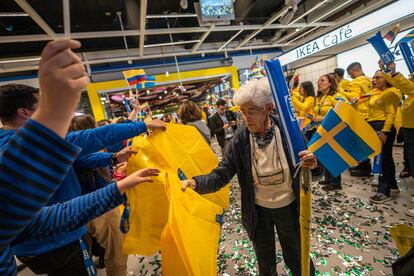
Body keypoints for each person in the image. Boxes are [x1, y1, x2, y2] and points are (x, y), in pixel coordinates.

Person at [0, 84, 165, 275]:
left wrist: (111, 158)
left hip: (32, 245)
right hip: (58, 238)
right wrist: (141, 126)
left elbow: (74, 158)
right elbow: (89, 138)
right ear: (25, 112)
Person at [182, 78, 317, 276]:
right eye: (243, 112)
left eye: (251, 112)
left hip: (289, 207)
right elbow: (222, 173)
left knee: (298, 259)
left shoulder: (289, 132)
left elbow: (313, 165)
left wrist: (313, 164)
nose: (246, 118)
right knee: (265, 263)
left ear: (268, 108)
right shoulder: (241, 138)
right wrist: (195, 182)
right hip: (258, 210)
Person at [71, 115, 131, 276]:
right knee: (117, 254)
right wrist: (120, 178)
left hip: (75, 211)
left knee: (84, 260)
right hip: (101, 211)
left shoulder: (70, 153)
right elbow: (99, 187)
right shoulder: (89, 154)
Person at [355, 70, 401, 204]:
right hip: (375, 126)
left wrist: (385, 132)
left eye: (378, 77)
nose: (374, 80)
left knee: (382, 160)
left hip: (383, 128)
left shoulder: (390, 93)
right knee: (385, 158)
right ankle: (391, 185)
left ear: (387, 79)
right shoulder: (375, 93)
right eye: (373, 77)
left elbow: (391, 114)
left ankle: (383, 191)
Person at [380, 61, 414, 215]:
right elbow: (401, 85)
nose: (410, 75)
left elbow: (404, 86)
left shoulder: (405, 91)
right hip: (408, 129)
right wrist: (386, 69)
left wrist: (391, 71)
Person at [343, 62, 373, 176]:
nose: (350, 77)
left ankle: (364, 168)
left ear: (352, 72)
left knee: (359, 143)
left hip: (359, 115)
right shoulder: (369, 80)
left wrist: (341, 91)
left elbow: (353, 98)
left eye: (349, 74)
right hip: (369, 114)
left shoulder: (355, 82)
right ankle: (364, 165)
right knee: (363, 142)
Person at [314, 74, 342, 191]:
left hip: (333, 131)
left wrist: (321, 118)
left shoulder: (336, 97)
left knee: (333, 156)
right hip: (321, 131)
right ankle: (328, 178)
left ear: (330, 83)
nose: (319, 83)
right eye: (318, 81)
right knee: (325, 156)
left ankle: (336, 183)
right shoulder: (319, 98)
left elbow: (339, 114)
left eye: (322, 81)